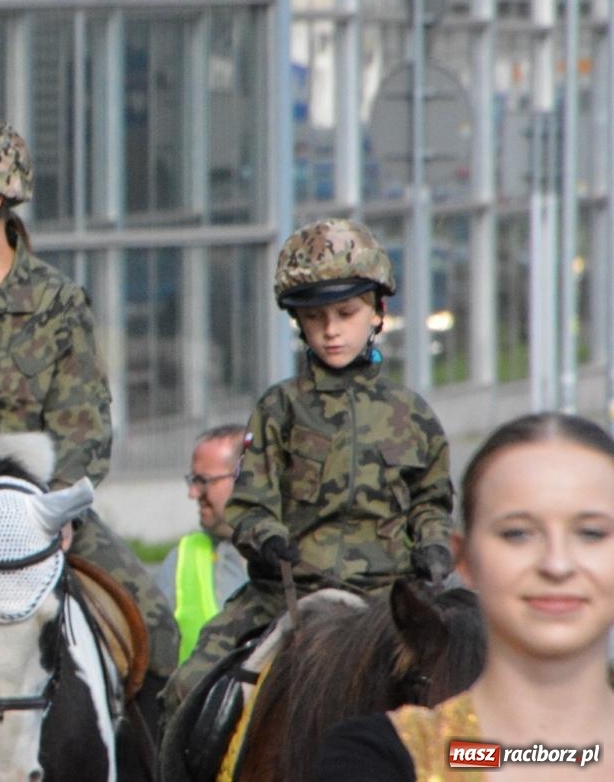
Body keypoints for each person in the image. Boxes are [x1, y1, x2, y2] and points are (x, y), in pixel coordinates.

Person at [0, 113, 180, 690]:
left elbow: (85, 425)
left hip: (36, 512)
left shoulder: (59, 301)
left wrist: (57, 510)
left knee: (157, 633)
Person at [161, 218, 455, 727]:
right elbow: (250, 504)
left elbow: (431, 498)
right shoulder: (279, 409)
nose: (332, 330)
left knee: (474, 676)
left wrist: (432, 544)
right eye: (315, 317)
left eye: (346, 312)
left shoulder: (414, 414)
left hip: (390, 600)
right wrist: (269, 541)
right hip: (288, 595)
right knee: (186, 690)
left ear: (377, 312)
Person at [317, 413, 614, 780]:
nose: (556, 564)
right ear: (465, 557)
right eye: (518, 533)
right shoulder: (374, 759)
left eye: (591, 533)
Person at [155, 425, 250, 664]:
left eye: (203, 481)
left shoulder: (294, 552)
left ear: (244, 476)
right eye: (192, 480)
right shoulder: (182, 559)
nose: (193, 493)